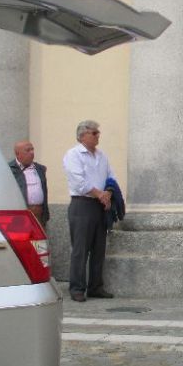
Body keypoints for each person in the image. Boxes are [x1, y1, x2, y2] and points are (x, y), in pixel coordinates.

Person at [63, 120, 116, 302]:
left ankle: (96, 286)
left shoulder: (102, 156)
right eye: (94, 133)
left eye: (98, 132)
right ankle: (77, 288)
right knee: (80, 249)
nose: (98, 135)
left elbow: (111, 176)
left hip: (100, 205)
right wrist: (99, 194)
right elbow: (79, 182)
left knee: (99, 248)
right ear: (82, 135)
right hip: (82, 204)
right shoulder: (73, 155)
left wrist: (108, 193)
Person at [9, 140, 49, 228]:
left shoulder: (40, 169)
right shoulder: (9, 170)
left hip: (39, 214)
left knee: (39, 236)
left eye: (32, 149)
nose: (32, 153)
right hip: (20, 216)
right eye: (28, 150)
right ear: (17, 154)